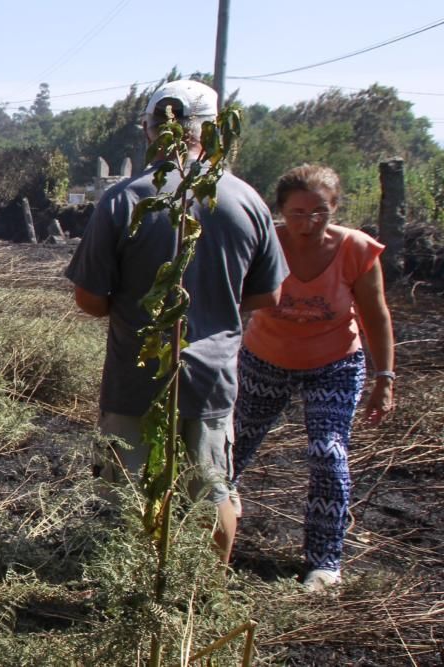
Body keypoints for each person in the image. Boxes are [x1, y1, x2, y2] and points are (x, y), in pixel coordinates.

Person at [65, 80, 288, 563]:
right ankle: (205, 597)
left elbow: (89, 298)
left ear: (150, 131)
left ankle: (137, 596)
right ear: (210, 134)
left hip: (134, 379)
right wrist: (218, 305)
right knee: (212, 493)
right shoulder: (246, 200)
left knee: (127, 497)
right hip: (212, 379)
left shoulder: (124, 201)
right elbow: (269, 293)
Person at [231, 164, 394, 591]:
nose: (308, 223)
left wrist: (385, 378)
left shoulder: (356, 250)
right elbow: (233, 297)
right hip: (266, 359)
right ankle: (198, 536)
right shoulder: (265, 242)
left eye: (319, 212)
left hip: (334, 364)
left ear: (334, 208)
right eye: (298, 213)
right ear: (280, 211)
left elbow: (375, 316)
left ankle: (324, 561)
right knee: (232, 447)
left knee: (328, 453)